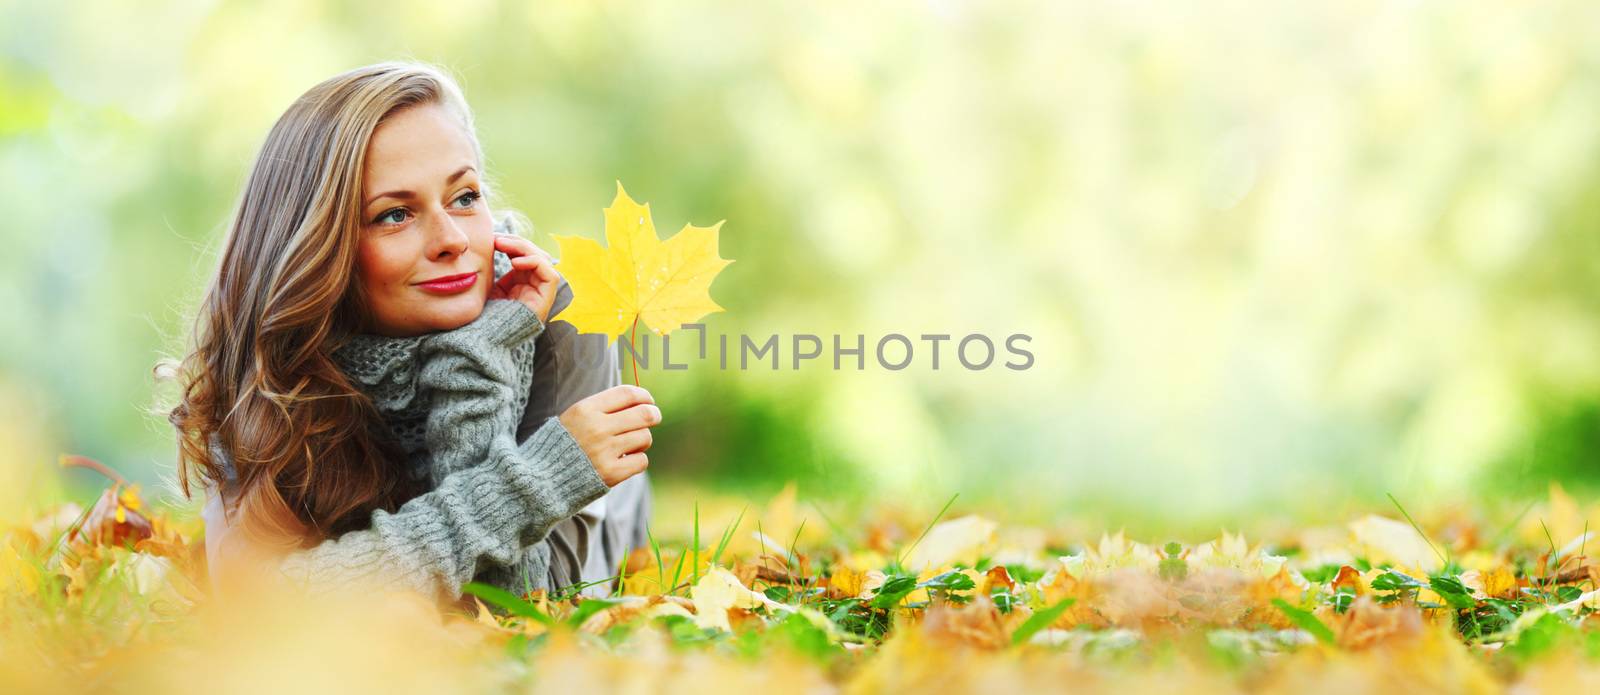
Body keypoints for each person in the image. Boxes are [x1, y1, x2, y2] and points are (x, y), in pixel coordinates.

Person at [164, 61, 654, 601]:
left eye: (465, 197)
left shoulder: (557, 317)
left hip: (611, 532)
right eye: (395, 214)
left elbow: (521, 606)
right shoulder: (269, 357)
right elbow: (258, 606)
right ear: (319, 248)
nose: (452, 240)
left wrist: (478, 354)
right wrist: (529, 484)